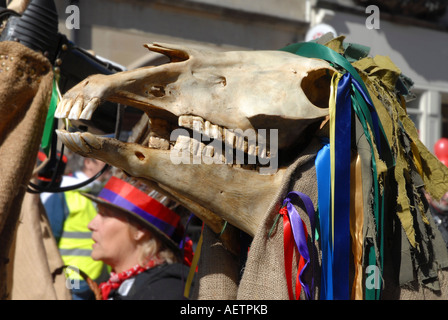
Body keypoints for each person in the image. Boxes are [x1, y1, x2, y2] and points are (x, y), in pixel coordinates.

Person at [85, 174, 193, 300]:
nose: (91, 225)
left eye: (105, 214)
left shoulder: (166, 292)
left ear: (140, 229)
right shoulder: (121, 287)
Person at [41, 151, 111, 300]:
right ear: (88, 163)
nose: (109, 166)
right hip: (73, 281)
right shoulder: (62, 194)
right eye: (104, 161)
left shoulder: (99, 194)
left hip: (97, 281)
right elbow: (47, 241)